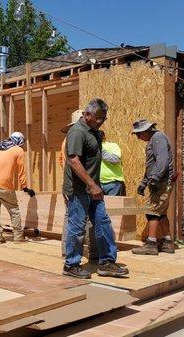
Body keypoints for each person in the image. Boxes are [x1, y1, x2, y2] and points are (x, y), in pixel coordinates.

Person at [62, 98, 129, 279]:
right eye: (98, 118)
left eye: (104, 118)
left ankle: (106, 262)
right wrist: (91, 184)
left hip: (94, 190)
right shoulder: (77, 132)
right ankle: (71, 265)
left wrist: (95, 186)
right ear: (87, 114)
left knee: (103, 222)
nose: (101, 121)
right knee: (77, 227)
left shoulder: (94, 133)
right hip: (79, 190)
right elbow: (74, 161)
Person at [0, 132, 35, 245]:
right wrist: (25, 187)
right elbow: (21, 170)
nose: (21, 146)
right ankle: (18, 237)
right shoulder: (18, 150)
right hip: (5, 186)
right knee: (14, 211)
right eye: (21, 143)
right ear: (18, 141)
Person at [130, 119, 176, 255]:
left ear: (146, 130)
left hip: (161, 181)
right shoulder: (153, 140)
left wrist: (155, 179)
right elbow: (151, 165)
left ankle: (151, 244)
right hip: (160, 181)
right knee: (161, 213)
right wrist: (144, 183)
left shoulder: (158, 138)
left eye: (139, 134)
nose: (138, 137)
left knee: (152, 212)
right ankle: (167, 243)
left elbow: (162, 161)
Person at [59, 109, 97, 260]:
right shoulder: (76, 138)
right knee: (83, 219)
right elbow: (74, 162)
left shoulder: (67, 139)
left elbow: (62, 162)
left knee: (70, 217)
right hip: (78, 186)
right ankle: (88, 254)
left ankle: (66, 252)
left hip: (71, 184)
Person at [100, 131, 126, 196]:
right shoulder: (90, 147)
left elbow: (115, 159)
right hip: (96, 184)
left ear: (104, 137)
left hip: (113, 183)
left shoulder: (112, 146)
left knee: (112, 205)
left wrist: (100, 149)